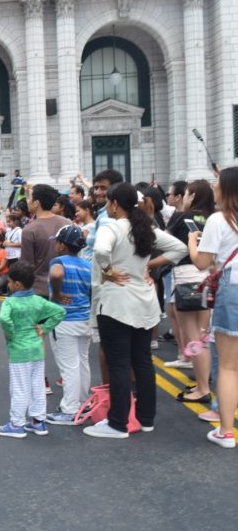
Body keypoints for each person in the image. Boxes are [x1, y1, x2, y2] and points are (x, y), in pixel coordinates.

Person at [85, 183, 187, 439]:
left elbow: (100, 250)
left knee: (119, 363)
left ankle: (118, 423)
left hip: (116, 302)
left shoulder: (111, 227)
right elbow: (180, 248)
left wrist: (108, 270)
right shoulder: (145, 228)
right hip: (144, 300)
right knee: (142, 361)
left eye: (108, 202)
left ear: (115, 204)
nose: (106, 206)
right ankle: (146, 418)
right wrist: (149, 265)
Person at [188, 167, 238, 448]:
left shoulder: (219, 220)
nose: (213, 187)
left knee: (230, 367)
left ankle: (226, 431)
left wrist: (192, 243)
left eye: (217, 183)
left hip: (233, 286)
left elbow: (202, 262)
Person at [0, 261, 66, 438]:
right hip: (36, 350)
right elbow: (59, 312)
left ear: (17, 284)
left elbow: (3, 319)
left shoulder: (10, 302)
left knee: (19, 388)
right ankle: (38, 422)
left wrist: (10, 334)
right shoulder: (38, 301)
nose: (8, 285)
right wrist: (45, 328)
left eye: (10, 282)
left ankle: (16, 424)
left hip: (19, 351)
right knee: (37, 386)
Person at [156, 180, 214, 399]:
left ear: (193, 196)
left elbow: (165, 241)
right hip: (209, 276)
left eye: (188, 194)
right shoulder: (213, 218)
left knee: (192, 336)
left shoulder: (181, 217)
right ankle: (202, 381)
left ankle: (202, 388)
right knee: (203, 335)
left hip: (186, 276)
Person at [46, 225, 93, 424]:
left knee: (69, 366)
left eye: (57, 242)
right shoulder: (87, 265)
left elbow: (56, 274)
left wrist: (56, 294)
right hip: (85, 319)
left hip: (65, 320)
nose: (55, 245)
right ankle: (82, 402)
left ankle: (70, 409)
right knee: (82, 362)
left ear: (62, 245)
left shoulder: (59, 262)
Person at [19, 184, 71, 298]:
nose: (27, 201)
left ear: (36, 203)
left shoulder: (29, 229)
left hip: (40, 290)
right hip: (66, 287)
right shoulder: (67, 223)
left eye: (29, 198)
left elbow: (26, 265)